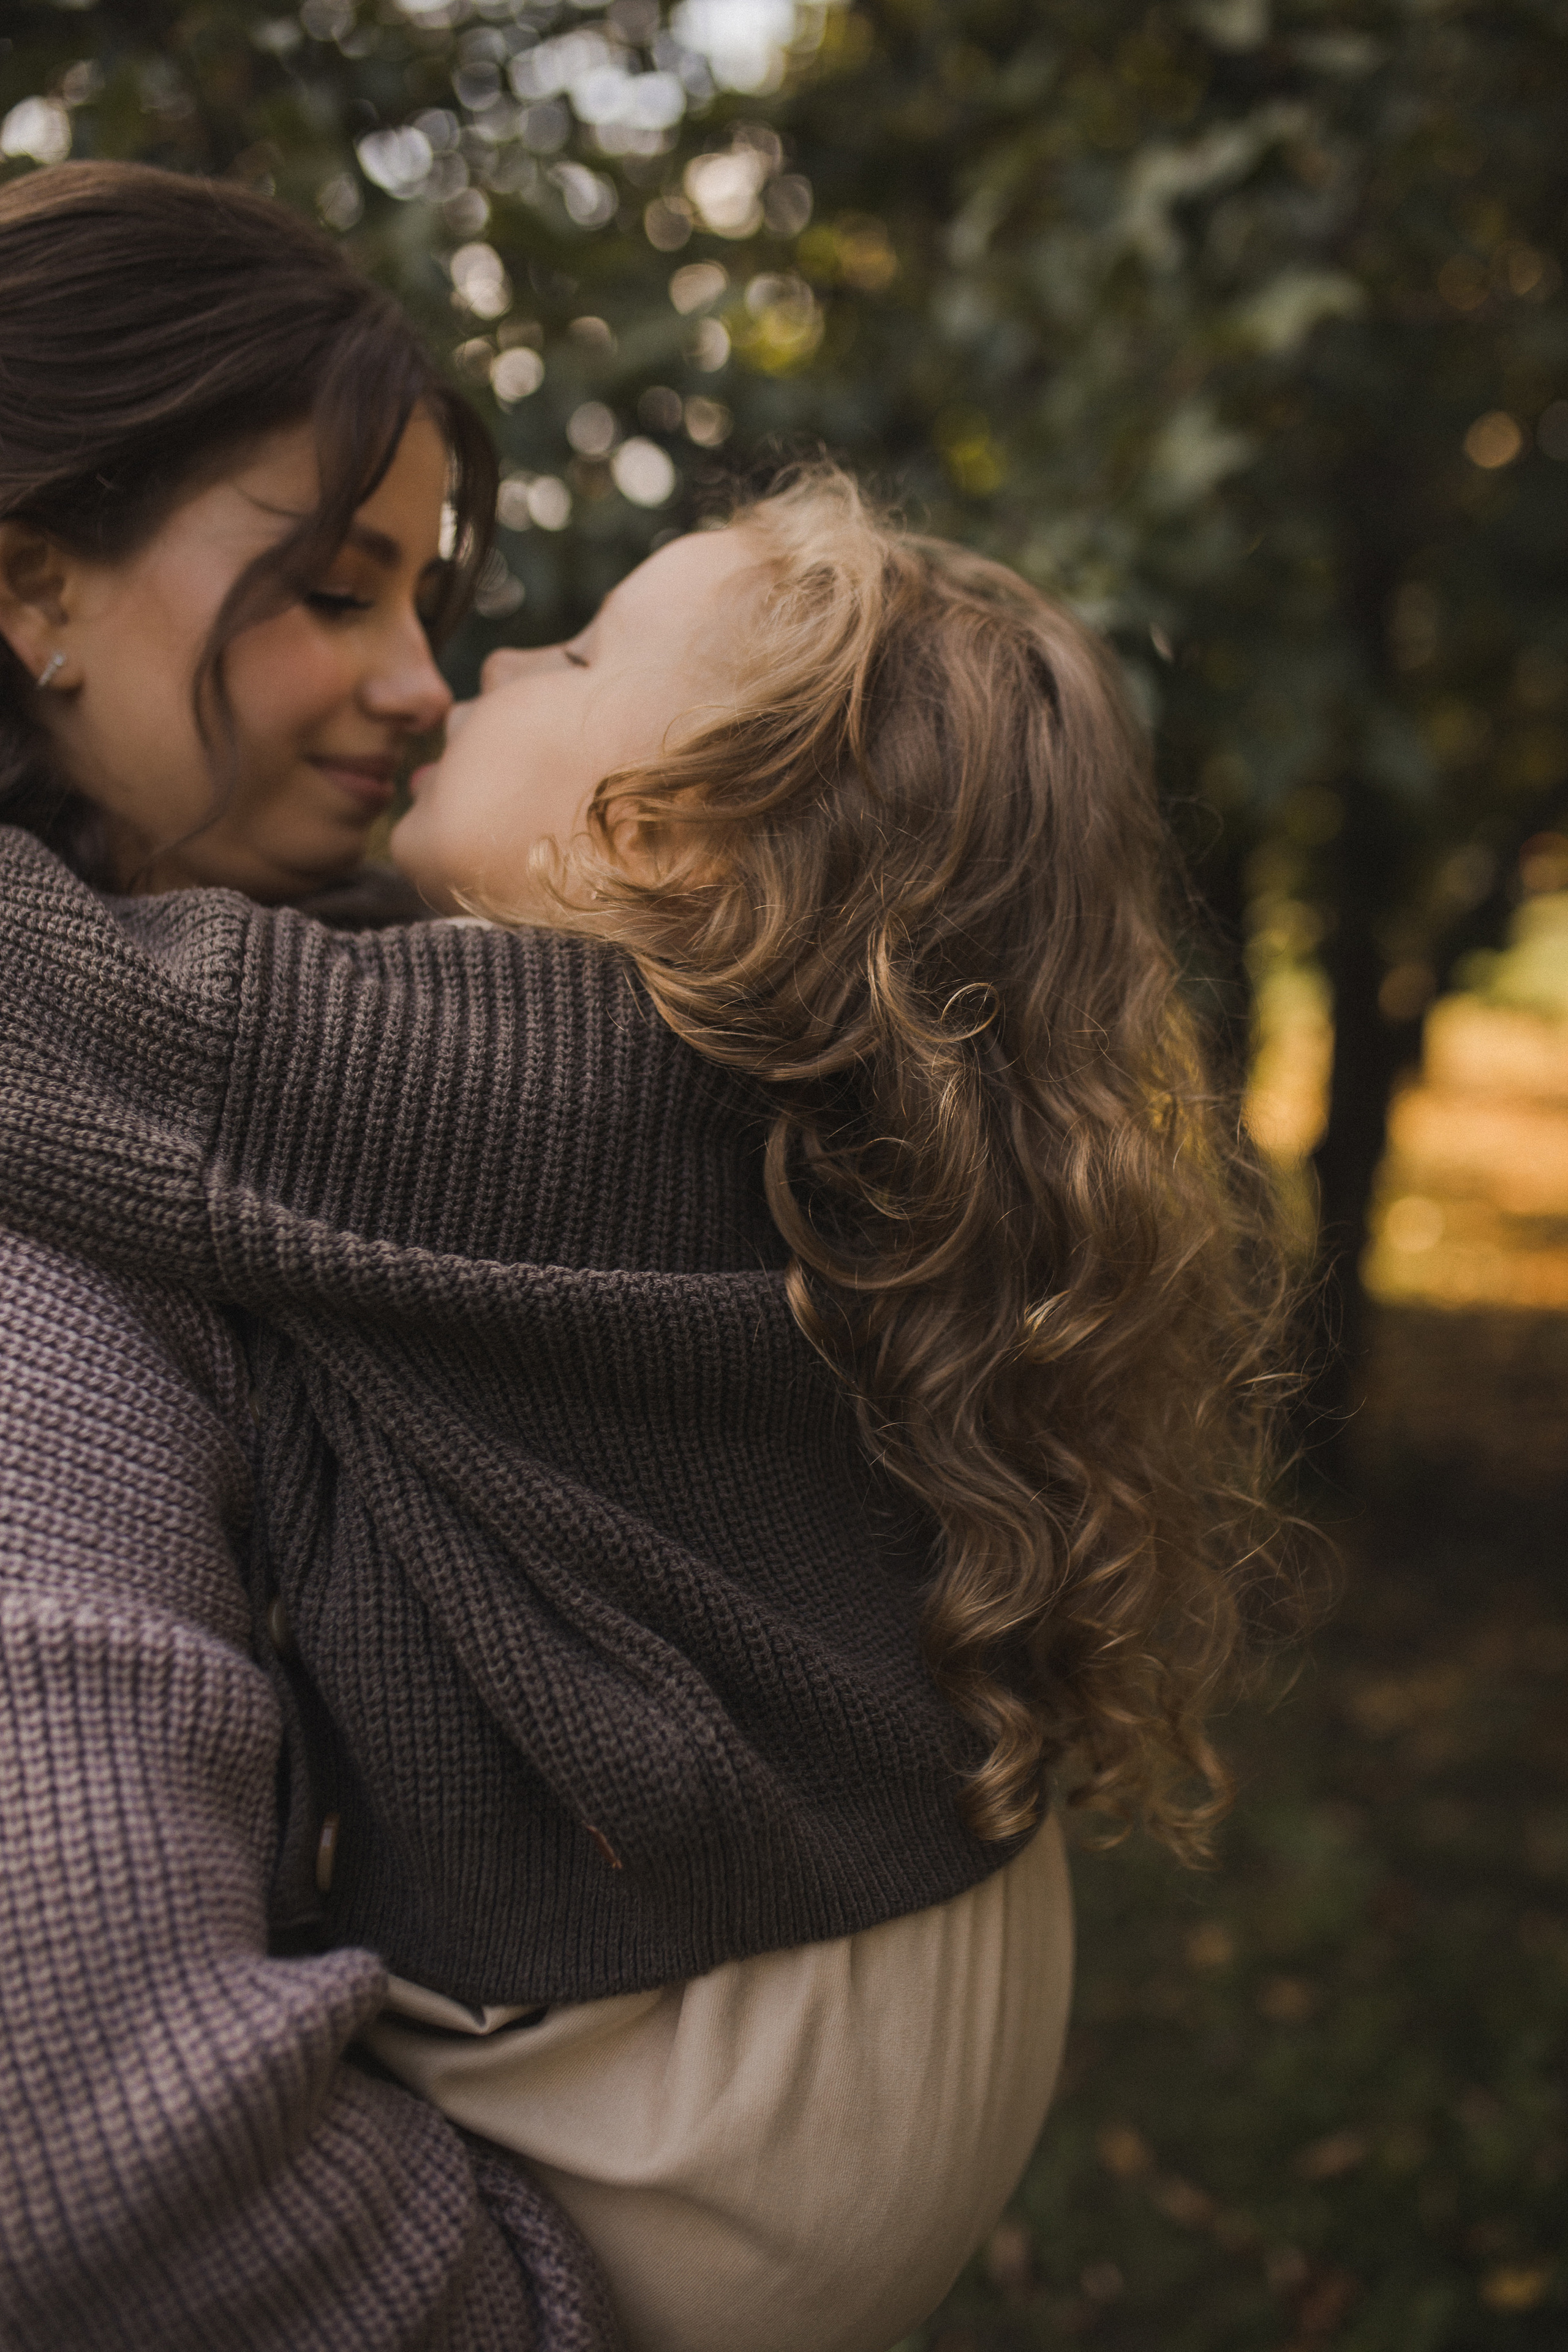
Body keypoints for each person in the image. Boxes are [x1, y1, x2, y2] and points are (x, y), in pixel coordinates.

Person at [0, 445, 1295, 2346]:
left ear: (670, 842)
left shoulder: (505, 1074)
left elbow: (56, 1011)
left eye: (586, 652)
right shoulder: (794, 1108)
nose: (492, 661)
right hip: (889, 2011)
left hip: (677, 2171)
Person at [0, 160, 627, 2350]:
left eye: (429, 600)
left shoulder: (247, 1083)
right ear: (34, 580)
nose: (427, 686)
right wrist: (544, 2309)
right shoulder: (52, 1240)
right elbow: (87, 2154)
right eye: (333, 591)